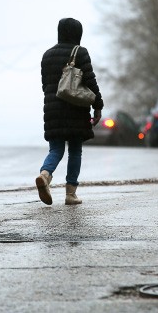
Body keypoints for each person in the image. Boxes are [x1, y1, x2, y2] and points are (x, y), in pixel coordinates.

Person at [36, 17, 104, 206]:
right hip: (76, 108)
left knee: (56, 149)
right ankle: (70, 194)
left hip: (52, 110)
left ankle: (45, 175)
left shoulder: (47, 55)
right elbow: (90, 80)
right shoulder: (80, 52)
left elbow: (45, 86)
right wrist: (98, 105)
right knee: (75, 150)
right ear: (78, 34)